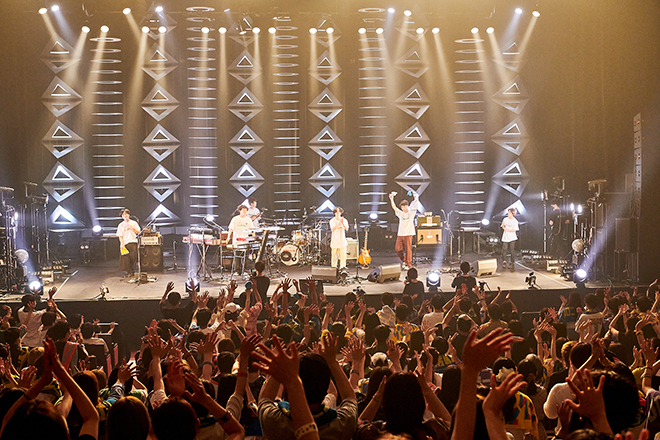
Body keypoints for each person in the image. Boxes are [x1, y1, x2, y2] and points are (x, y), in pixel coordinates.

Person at [389, 191, 420, 271]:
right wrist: (391, 198)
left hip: (409, 233)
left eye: (404, 206)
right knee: (397, 249)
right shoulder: (401, 214)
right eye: (402, 207)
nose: (403, 208)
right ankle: (404, 260)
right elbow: (394, 207)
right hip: (401, 234)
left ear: (407, 206)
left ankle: (408, 264)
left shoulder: (411, 213)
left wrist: (415, 196)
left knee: (408, 249)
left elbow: (416, 203)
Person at [116, 208, 140, 277]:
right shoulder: (121, 225)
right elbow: (120, 236)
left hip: (133, 242)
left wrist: (132, 228)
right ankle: (128, 272)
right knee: (126, 259)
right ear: (122, 216)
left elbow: (138, 232)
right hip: (125, 243)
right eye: (123, 214)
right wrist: (122, 244)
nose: (125, 215)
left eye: (126, 214)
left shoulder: (134, 223)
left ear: (129, 215)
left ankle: (132, 271)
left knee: (133, 258)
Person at [500, 208, 519, 272]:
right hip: (505, 236)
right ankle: (504, 261)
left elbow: (514, 230)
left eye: (509, 212)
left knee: (512, 250)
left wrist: (508, 230)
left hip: (512, 237)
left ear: (512, 213)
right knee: (504, 249)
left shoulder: (515, 221)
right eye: (508, 212)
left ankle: (512, 262)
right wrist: (504, 227)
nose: (508, 214)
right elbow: (502, 225)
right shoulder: (505, 219)